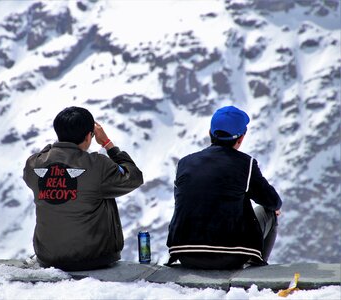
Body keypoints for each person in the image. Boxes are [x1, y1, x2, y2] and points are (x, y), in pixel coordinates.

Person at [23, 106, 143, 271]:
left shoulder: (34, 165)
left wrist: (55, 148)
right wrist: (108, 145)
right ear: (89, 136)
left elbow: (42, 157)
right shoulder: (98, 165)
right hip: (94, 258)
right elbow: (134, 177)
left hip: (48, 258)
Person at [166, 105, 282, 269]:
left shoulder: (184, 163)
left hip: (185, 254)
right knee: (270, 212)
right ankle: (257, 267)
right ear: (241, 138)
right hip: (231, 257)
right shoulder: (246, 164)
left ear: (210, 133)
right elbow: (273, 201)